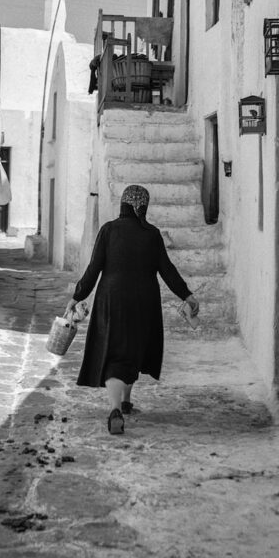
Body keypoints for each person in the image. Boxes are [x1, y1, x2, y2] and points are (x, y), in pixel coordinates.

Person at [65, 184, 200, 435]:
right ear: (144, 207)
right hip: (143, 300)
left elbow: (94, 269)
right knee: (134, 348)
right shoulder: (152, 234)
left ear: (123, 205)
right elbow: (167, 270)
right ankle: (125, 403)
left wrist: (77, 295)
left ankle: (116, 407)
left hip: (111, 299)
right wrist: (187, 295)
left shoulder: (109, 230)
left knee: (115, 352)